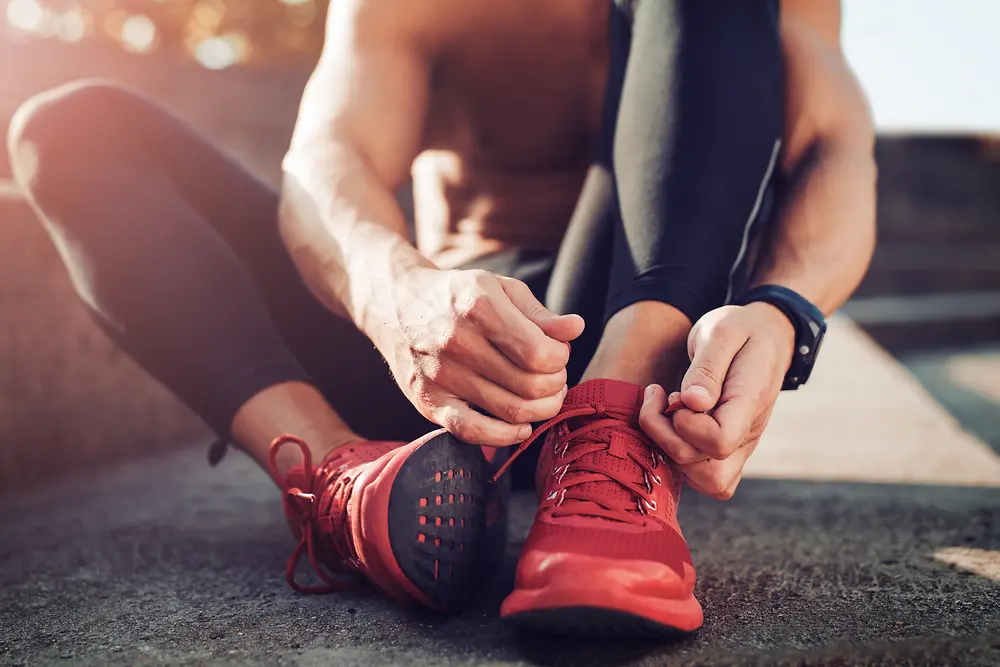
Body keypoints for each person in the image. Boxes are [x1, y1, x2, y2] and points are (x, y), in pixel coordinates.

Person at [7, 0, 875, 637]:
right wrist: (398, 292)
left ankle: (610, 442)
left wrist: (782, 309)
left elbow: (836, 144)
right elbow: (329, 152)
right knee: (72, 128)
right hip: (444, 362)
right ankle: (336, 483)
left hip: (633, 363)